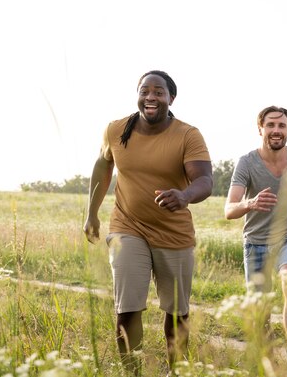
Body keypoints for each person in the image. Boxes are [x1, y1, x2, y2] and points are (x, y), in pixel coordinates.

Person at [83, 70, 213, 376]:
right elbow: (103, 167)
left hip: (174, 233)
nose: (150, 97)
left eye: (158, 92)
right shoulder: (116, 130)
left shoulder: (187, 134)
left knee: (176, 311)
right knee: (127, 305)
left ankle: (175, 370)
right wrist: (91, 213)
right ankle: (133, 372)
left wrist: (184, 195)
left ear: (171, 98)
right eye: (145, 91)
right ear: (138, 94)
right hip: (127, 227)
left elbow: (205, 180)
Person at [224, 106, 287, 357]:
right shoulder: (247, 163)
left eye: (282, 126)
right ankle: (268, 360)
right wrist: (249, 203)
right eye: (271, 125)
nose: (276, 130)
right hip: (255, 243)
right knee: (260, 309)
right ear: (260, 129)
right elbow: (229, 209)